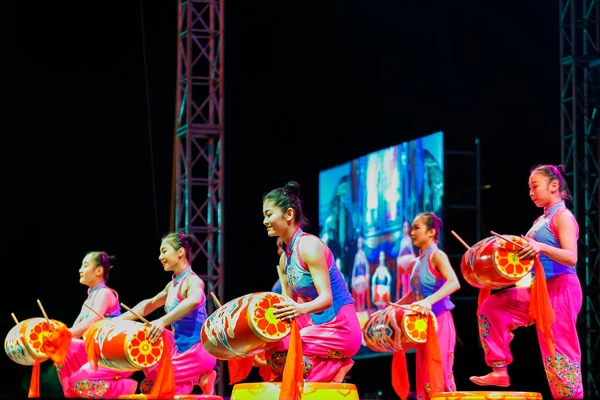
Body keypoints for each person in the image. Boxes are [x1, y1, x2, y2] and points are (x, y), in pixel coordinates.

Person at [470, 164, 583, 399]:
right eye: (529, 188)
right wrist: (501, 277)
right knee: (492, 306)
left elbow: (571, 257)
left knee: (558, 350)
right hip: (537, 289)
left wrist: (540, 246)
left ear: (554, 186)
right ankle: (499, 369)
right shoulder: (540, 221)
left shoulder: (563, 217)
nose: (531, 192)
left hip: (561, 288)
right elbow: (532, 265)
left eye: (535, 186)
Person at [262, 181, 362, 383]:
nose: (265, 221)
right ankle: (330, 369)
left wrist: (298, 310)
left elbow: (326, 299)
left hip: (341, 327)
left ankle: (336, 366)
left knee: (285, 350)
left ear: (289, 214)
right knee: (272, 349)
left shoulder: (309, 246)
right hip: (318, 328)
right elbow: (286, 306)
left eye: (269, 214)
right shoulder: (285, 259)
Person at [115, 232, 217, 395]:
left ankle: (199, 375)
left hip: (198, 350)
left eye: (164, 251)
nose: (160, 256)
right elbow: (148, 305)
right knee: (146, 339)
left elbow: (194, 300)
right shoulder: (172, 286)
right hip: (181, 349)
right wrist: (115, 321)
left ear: (180, 252)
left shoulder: (192, 281)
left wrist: (162, 321)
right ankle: (200, 378)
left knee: (159, 381)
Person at [394, 212, 460, 400]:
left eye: (417, 228)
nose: (412, 232)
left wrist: (428, 301)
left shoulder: (437, 256)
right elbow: (412, 295)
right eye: (412, 228)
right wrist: (392, 308)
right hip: (423, 327)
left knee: (440, 375)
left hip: (440, 321)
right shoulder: (417, 261)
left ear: (431, 232)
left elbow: (454, 282)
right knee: (424, 379)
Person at [55, 251, 138, 398]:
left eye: (85, 266)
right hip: (95, 353)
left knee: (78, 382)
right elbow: (75, 332)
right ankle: (72, 390)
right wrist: (55, 337)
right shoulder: (89, 300)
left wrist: (65, 334)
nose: (80, 270)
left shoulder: (105, 294)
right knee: (63, 348)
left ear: (99, 271)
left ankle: (124, 387)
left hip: (112, 356)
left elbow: (91, 321)